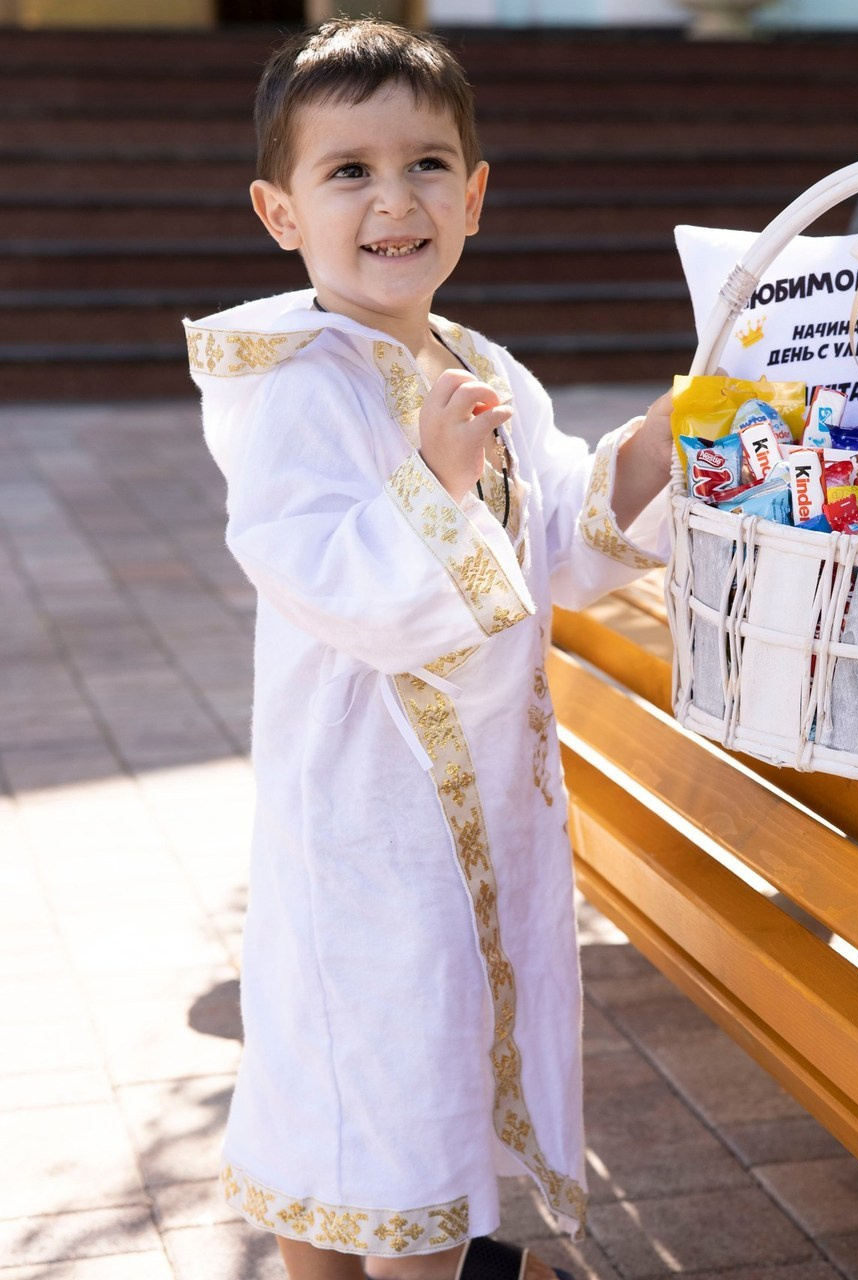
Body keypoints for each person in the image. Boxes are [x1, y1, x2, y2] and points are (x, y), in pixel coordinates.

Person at [183, 18, 673, 1280]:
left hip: (478, 805)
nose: (393, 200)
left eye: (426, 165)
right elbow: (326, 573)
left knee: (410, 1069)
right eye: (348, 170)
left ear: (474, 194)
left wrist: (671, 432)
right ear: (280, 212)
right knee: (379, 1092)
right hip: (366, 815)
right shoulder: (297, 384)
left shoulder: (480, 362)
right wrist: (433, 482)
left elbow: (554, 532)